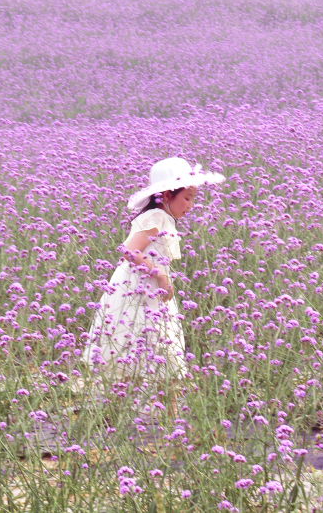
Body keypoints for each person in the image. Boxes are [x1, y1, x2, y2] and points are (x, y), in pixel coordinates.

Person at [84, 158, 224, 394]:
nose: (190, 205)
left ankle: (136, 415)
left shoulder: (161, 217)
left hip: (143, 286)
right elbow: (129, 249)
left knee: (140, 348)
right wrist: (159, 275)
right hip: (141, 287)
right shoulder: (157, 217)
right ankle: (164, 417)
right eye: (187, 198)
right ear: (168, 196)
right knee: (155, 347)